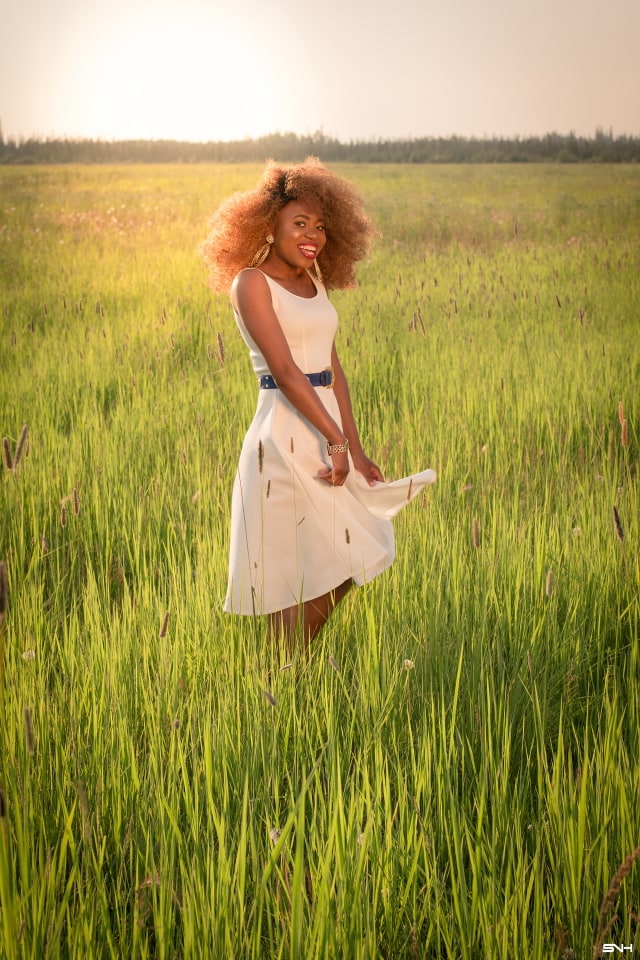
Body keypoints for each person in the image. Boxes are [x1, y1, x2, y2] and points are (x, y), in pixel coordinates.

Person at [201, 157, 435, 647]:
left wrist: (354, 444)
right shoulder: (251, 283)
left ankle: (289, 668)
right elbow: (286, 373)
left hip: (326, 427)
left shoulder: (314, 281)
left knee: (355, 549)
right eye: (300, 223)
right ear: (269, 224)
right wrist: (334, 441)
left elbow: (333, 369)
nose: (313, 236)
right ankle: (284, 677)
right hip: (284, 439)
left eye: (322, 225)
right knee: (293, 571)